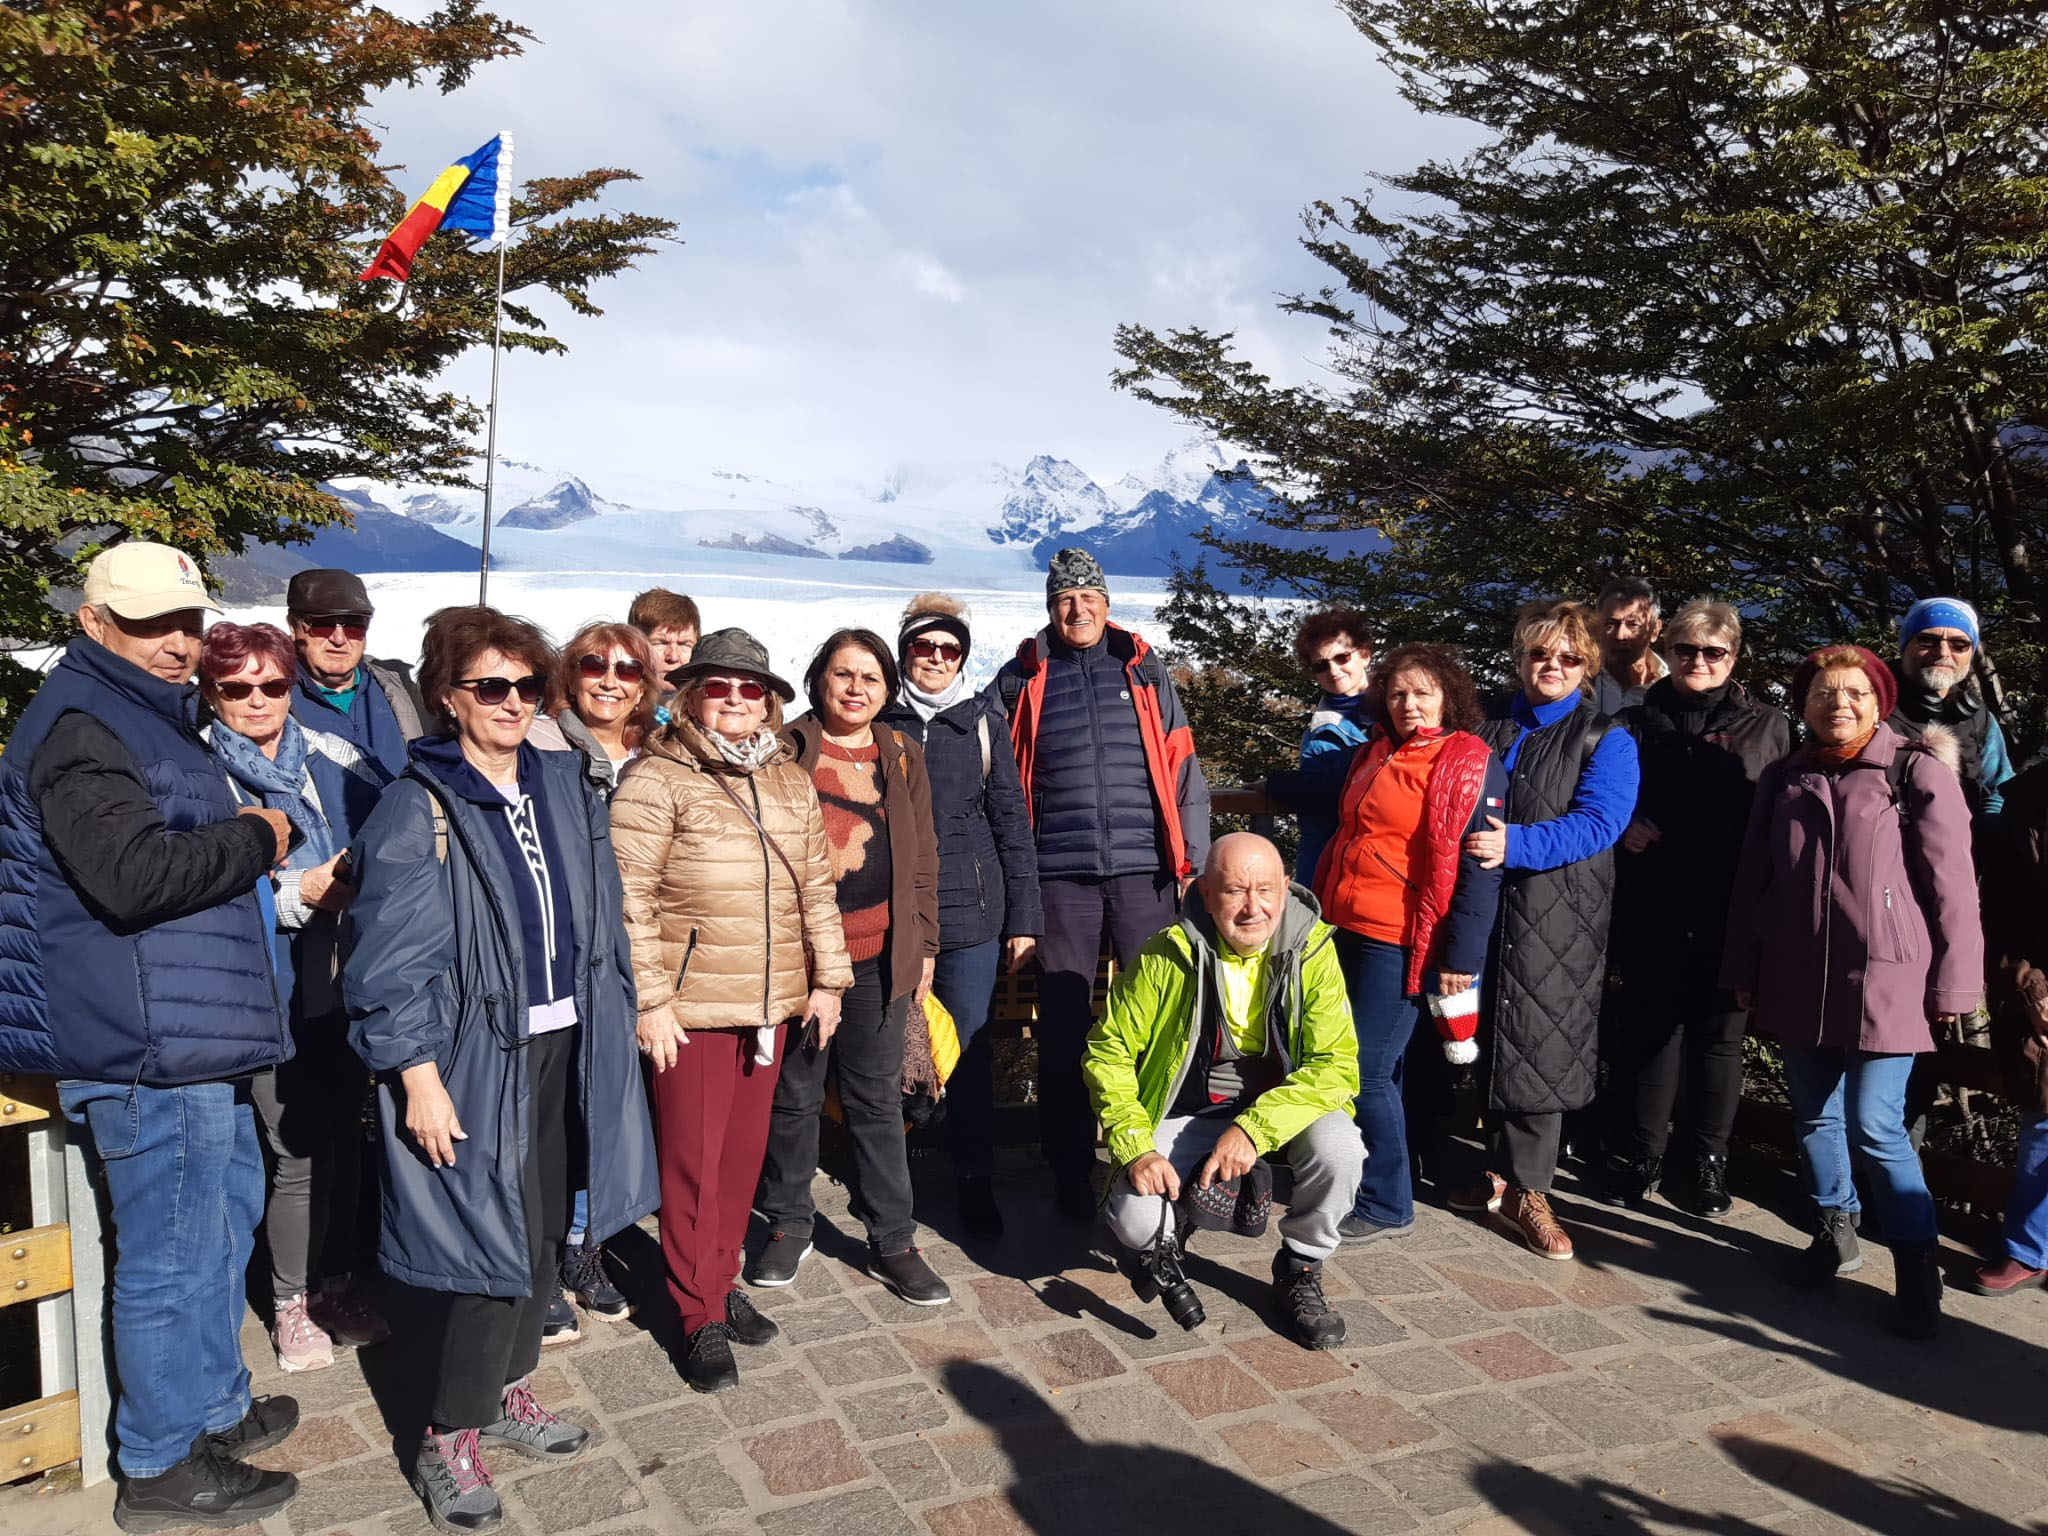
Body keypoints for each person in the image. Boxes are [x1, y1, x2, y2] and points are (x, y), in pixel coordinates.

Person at [0, 543, 301, 1531]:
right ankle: (164, 1467)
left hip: (183, 1032)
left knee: (215, 1229)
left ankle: (210, 1412)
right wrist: (257, 837)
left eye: (186, 621)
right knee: (171, 1253)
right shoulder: (83, 724)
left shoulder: (138, 710)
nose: (177, 642)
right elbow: (128, 876)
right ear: (94, 624)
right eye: (149, 625)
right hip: (138, 1042)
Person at [347, 606, 658, 1530]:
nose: (513, 702)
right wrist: (416, 1074)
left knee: (538, 1242)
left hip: (569, 1039)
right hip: (478, 1056)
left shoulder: (561, 783)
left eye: (528, 686)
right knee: (488, 1249)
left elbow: (599, 914)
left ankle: (512, 1388)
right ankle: (450, 1433)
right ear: (449, 698)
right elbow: (387, 958)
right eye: (492, 687)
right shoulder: (420, 804)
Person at [609, 628, 854, 1393]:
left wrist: (829, 983)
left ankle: (716, 1280)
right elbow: (629, 902)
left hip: (768, 1005)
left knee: (740, 1166)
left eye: (754, 690)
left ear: (773, 703)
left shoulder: (786, 778)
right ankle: (694, 1313)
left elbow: (816, 887)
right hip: (692, 1009)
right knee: (691, 1167)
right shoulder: (658, 778)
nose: (738, 700)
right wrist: (651, 1000)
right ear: (691, 697)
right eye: (721, 687)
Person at [1724, 645, 1982, 1340]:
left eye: (1855, 693)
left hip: (1889, 974)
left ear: (1879, 701)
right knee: (1812, 1114)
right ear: (1802, 704)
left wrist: (1957, 980)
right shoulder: (1784, 777)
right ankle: (1833, 1231)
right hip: (1797, 971)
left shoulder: (1913, 769)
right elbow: (1756, 879)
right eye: (1822, 694)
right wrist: (1743, 965)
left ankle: (1913, 1263)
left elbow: (1952, 884)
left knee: (1876, 1124)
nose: (1838, 704)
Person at [991, 547, 1212, 1220]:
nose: (1077, 608)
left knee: (1159, 1021)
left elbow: (1183, 770)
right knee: (1062, 1026)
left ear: (1108, 604)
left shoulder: (1144, 670)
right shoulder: (1024, 675)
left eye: (1088, 597)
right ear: (1050, 608)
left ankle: (1158, 1155)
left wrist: (1193, 864)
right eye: (1064, 599)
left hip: (1147, 874)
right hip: (1060, 877)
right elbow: (991, 766)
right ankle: (1068, 1167)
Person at [1085, 834, 1363, 1349]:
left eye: (1264, 889)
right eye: (1235, 891)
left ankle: (1301, 1265)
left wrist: (1253, 1130)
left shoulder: (1314, 951)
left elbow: (1336, 1066)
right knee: (1133, 1218)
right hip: (1190, 1110)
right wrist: (1135, 1146)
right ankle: (1174, 1227)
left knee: (1342, 1150)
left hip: (1281, 1113)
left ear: (1286, 888)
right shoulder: (1166, 955)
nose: (1252, 907)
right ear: (1205, 893)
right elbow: (1109, 1053)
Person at [201, 622, 390, 1374]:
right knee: (293, 1149)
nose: (256, 701)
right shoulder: (198, 770)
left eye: (271, 685)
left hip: (339, 977)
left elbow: (393, 827)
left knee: (343, 1135)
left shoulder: (331, 754)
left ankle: (335, 1281)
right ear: (210, 692)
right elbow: (198, 879)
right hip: (259, 985)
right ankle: (290, 1299)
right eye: (235, 687)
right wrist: (293, 894)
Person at [749, 630, 949, 1303]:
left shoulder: (900, 754)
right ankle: (787, 1224)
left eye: (870, 677)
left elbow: (922, 858)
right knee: (795, 1093)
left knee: (874, 1099)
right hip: (801, 960)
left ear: (887, 688)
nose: (856, 688)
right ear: (819, 680)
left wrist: (924, 945)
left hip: (881, 956)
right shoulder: (789, 750)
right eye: (843, 675)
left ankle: (893, 1238)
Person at [1287, 644, 1506, 1241]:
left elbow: (1479, 869)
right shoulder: (1377, 751)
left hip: (1402, 939)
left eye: (1423, 693)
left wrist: (1461, 957)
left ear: (1448, 698)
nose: (1409, 704)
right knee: (1361, 1060)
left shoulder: (1468, 761)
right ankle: (1374, 1176)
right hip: (1344, 926)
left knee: (1366, 1067)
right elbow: (1325, 794)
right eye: (1399, 693)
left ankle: (1387, 1201)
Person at [1458, 599, 1640, 1262]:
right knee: (1481, 1031)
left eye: (1568, 657)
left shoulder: (1605, 738)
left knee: (1543, 1038)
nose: (1553, 667)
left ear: (1586, 665)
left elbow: (1600, 824)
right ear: (1520, 659)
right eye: (1541, 655)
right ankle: (1494, 1172)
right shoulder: (1488, 726)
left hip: (1558, 912)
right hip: (1483, 906)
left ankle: (1531, 1190)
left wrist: (1516, 845)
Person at [1606, 601, 1791, 1216]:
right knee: (1651, 1037)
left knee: (1718, 1040)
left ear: (1733, 658)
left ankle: (1707, 1164)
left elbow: (1785, 818)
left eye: (1714, 652)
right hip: (1651, 903)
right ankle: (1641, 1157)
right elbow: (1599, 794)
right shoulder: (1635, 722)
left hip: (1730, 908)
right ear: (1670, 651)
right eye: (1687, 650)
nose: (1699, 662)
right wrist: (1623, 824)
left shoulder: (1768, 726)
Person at [878, 594, 1042, 1240]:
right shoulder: (879, 723)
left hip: (971, 916)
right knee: (890, 1048)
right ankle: (896, 1181)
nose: (937, 660)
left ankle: (973, 1177)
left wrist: (1023, 917)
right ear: (905, 652)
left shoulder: (980, 723)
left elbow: (1011, 821)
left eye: (950, 650)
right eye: (924, 647)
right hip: (892, 916)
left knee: (967, 1054)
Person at [528, 620, 659, 1336]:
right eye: (593, 664)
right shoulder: (539, 745)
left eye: (627, 669)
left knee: (606, 1106)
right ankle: (541, 1264)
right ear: (569, 673)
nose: (610, 679)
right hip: (560, 954)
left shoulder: (658, 754)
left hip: (633, 954)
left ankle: (586, 1245)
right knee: (553, 1114)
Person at [1972, 755, 2048, 1297]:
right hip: (2043, 991)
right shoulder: (2026, 798)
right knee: (2044, 1124)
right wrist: (2034, 991)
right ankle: (2030, 1247)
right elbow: (1998, 914)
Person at [285, 567, 426, 782]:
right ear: (293, 627)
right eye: (323, 625)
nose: (339, 639)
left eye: (354, 626)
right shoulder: (271, 697)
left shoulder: (404, 690)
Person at [1888, 596, 2014, 821]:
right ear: (1905, 646)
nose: (1943, 652)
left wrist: (1990, 833)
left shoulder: (1980, 719)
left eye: (1959, 644)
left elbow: (2002, 790)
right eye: (1927, 640)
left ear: (1971, 653)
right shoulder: (1863, 707)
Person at [1287, 609, 1376, 885]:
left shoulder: (1405, 708)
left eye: (1342, 657)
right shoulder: (1318, 733)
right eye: (1321, 665)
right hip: (1338, 866)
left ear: (1364, 654)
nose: (1333, 670)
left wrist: (1280, 785)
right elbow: (1321, 803)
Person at [1591, 577, 1667, 715]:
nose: (1620, 636)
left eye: (1633, 625)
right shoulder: (1579, 680)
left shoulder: (1673, 685)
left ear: (1655, 630)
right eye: (1610, 625)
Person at [628, 586, 701, 721]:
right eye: (660, 643)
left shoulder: (709, 716)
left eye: (684, 644)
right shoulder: (621, 718)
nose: (673, 657)